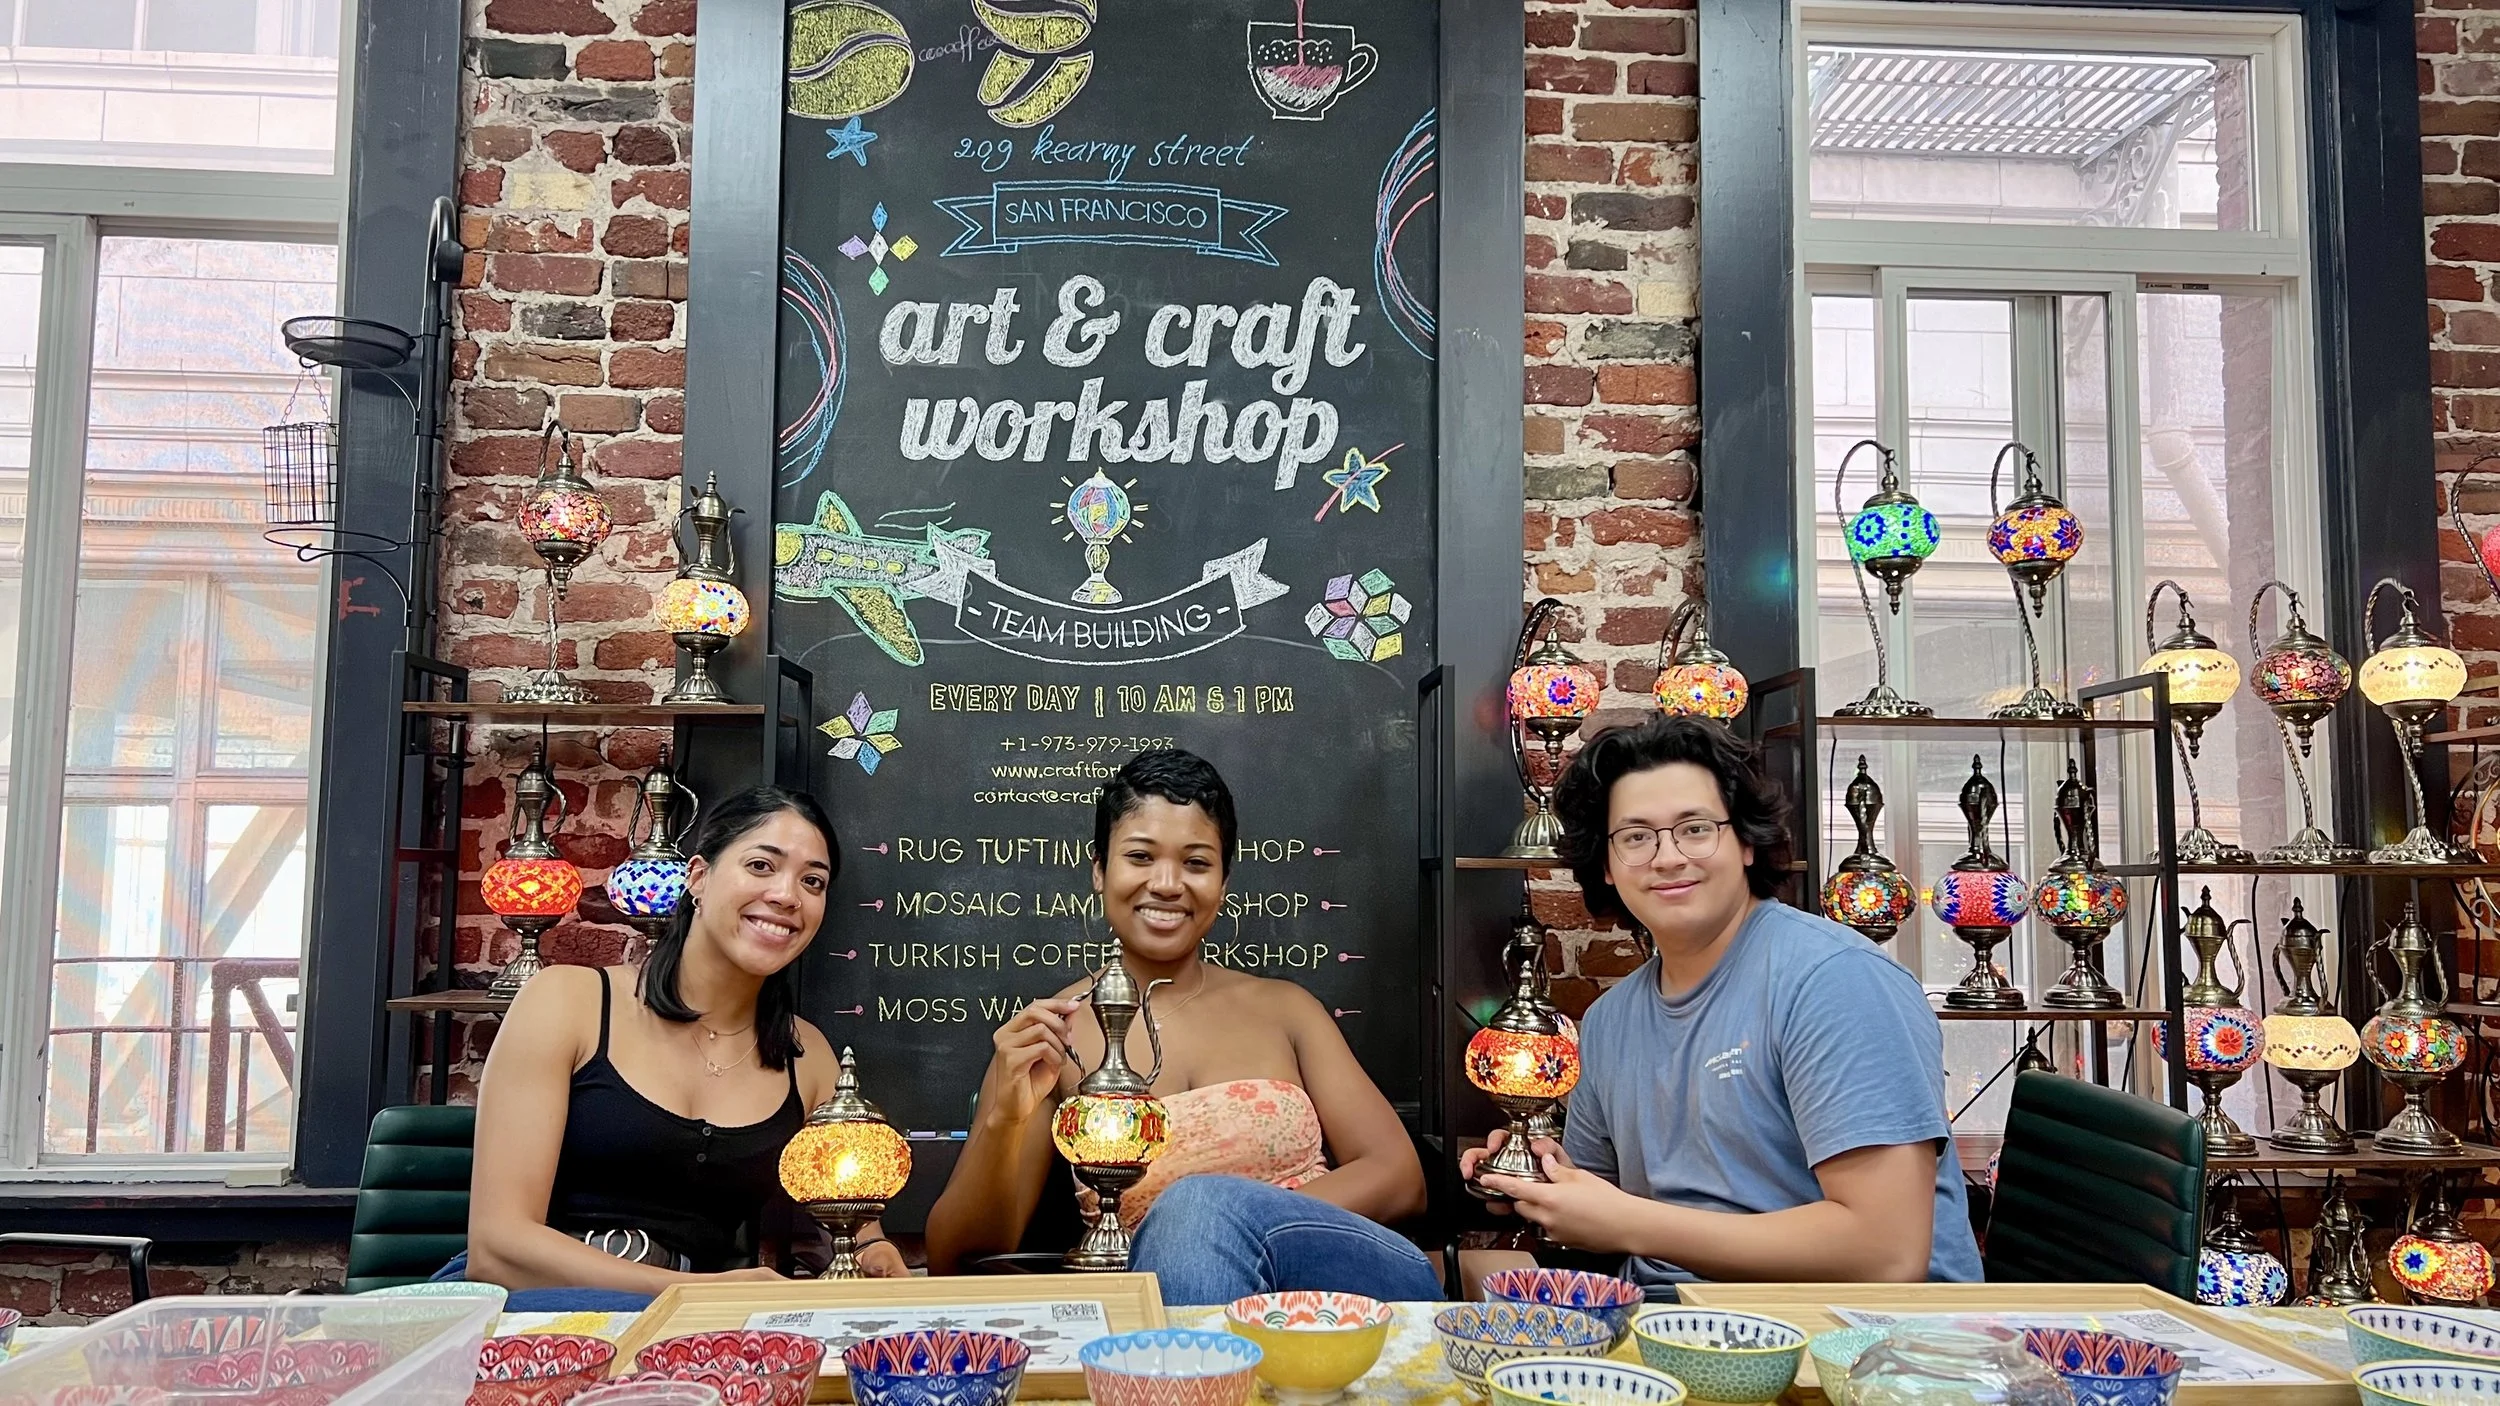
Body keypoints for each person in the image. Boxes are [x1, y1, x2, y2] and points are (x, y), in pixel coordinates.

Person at [1465, 716, 1982, 1297]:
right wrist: (1540, 1180)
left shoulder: (1835, 982)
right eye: (1635, 837)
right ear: (1607, 867)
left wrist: (1631, 1224)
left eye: (1694, 829)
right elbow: (1602, 1217)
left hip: (1855, 1342)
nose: (1667, 858)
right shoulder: (1613, 1021)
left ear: (1744, 842)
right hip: (1671, 1322)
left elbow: (1885, 1254)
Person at [923, 748, 1440, 1305]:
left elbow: (1398, 1176)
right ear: (1099, 870)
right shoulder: (1055, 1036)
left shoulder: (1287, 1009)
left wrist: (1235, 1220)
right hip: (1171, 1301)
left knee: (1197, 1209)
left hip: (1341, 1282)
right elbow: (958, 1257)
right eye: (1140, 857)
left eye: (1196, 863)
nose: (1168, 884)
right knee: (1190, 1223)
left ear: (1223, 881)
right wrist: (1005, 1114)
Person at [461, 785, 909, 1308]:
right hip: (532, 1315)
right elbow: (495, 1250)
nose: (788, 895)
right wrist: (698, 1292)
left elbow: (856, 1219)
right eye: (762, 866)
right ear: (698, 877)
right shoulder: (567, 1002)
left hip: (685, 1338)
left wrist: (875, 1252)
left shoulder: (806, 1056)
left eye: (813, 881)